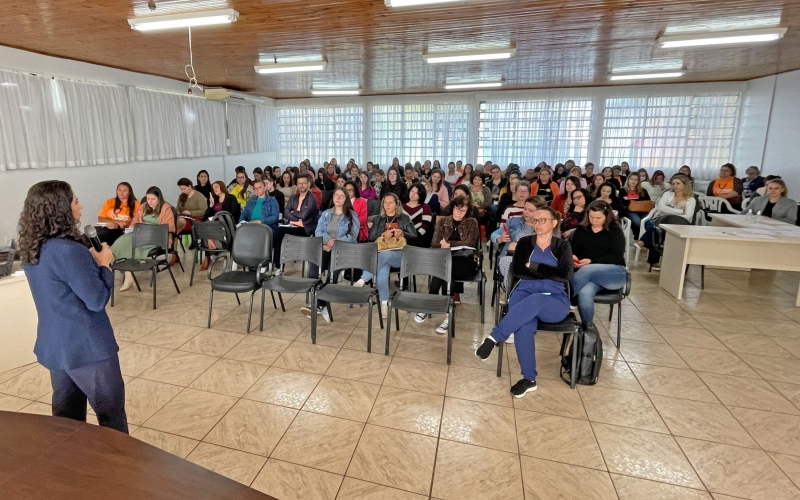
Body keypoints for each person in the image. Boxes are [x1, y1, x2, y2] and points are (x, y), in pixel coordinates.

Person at [19, 180, 128, 433]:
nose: (80, 207)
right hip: (88, 347)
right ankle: (121, 470)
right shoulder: (69, 251)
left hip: (57, 346)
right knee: (111, 418)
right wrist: (103, 264)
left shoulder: (32, 248)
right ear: (61, 209)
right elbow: (97, 300)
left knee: (67, 421)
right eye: (76, 201)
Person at [475, 206, 573, 398]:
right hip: (523, 291)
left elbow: (566, 274)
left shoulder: (562, 246)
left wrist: (535, 266)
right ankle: (529, 379)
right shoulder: (525, 243)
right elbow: (519, 271)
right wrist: (546, 271)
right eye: (535, 220)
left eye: (542, 220)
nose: (537, 224)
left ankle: (494, 337)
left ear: (554, 223)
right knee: (523, 326)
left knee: (535, 300)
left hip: (555, 300)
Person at [414, 197, 480, 333]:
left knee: (444, 268)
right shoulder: (443, 221)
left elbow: (470, 243)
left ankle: (429, 304)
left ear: (467, 212)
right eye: (457, 209)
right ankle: (448, 316)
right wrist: (445, 247)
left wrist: (450, 245)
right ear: (452, 207)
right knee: (446, 270)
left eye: (463, 210)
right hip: (445, 261)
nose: (459, 212)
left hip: (466, 261)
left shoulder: (472, 222)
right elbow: (434, 243)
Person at [352, 193, 418, 317]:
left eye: (390, 202)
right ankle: (384, 303)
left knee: (385, 255)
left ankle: (363, 279)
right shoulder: (378, 219)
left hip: (401, 256)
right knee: (382, 271)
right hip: (381, 256)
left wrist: (403, 233)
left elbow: (415, 236)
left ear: (396, 204)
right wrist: (382, 234)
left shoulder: (404, 218)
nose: (387, 205)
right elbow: (370, 238)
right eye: (385, 202)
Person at [301, 187, 361, 321]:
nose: (338, 198)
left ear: (346, 199)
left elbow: (352, 236)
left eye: (341, 196)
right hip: (326, 247)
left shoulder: (352, 215)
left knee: (332, 277)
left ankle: (317, 304)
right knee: (313, 270)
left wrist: (335, 242)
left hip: (343, 250)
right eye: (335, 195)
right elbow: (318, 231)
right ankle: (321, 304)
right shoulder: (326, 214)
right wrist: (328, 241)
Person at [569, 200, 627, 322]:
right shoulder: (582, 230)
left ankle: (566, 299)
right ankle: (587, 328)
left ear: (607, 216)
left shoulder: (614, 231)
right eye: (591, 217)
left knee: (588, 269)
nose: (594, 220)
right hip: (587, 276)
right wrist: (573, 257)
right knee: (584, 292)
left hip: (614, 273)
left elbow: (617, 257)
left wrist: (591, 261)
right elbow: (572, 250)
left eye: (598, 218)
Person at [111, 186, 175, 292]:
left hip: (156, 237)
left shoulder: (165, 208)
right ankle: (124, 269)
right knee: (120, 242)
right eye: (148, 198)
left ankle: (128, 274)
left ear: (159, 198)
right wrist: (132, 227)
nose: (150, 201)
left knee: (135, 246)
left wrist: (148, 228)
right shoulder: (144, 206)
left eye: (153, 199)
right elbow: (135, 220)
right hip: (140, 234)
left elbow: (170, 227)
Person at [635, 174, 697, 271]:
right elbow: (661, 207)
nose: (675, 186)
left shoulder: (691, 199)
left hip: (680, 224)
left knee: (659, 230)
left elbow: (688, 216)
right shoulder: (668, 194)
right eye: (673, 183)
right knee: (659, 229)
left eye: (678, 183)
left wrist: (671, 214)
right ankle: (654, 261)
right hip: (661, 220)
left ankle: (643, 243)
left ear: (685, 185)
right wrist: (679, 212)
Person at [272, 174, 319, 270]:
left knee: (280, 230)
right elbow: (286, 212)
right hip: (292, 226)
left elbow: (305, 215)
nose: (301, 185)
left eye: (304, 183)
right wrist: (296, 217)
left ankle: (267, 251)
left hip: (305, 229)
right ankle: (279, 267)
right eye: (299, 183)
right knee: (279, 239)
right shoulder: (293, 197)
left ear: (309, 184)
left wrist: (293, 213)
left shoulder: (312, 198)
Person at [404, 183, 434, 248]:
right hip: (403, 237)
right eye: (412, 191)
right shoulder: (401, 207)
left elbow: (426, 225)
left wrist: (414, 236)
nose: (413, 194)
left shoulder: (425, 207)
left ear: (421, 195)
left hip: (420, 238)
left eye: (417, 193)